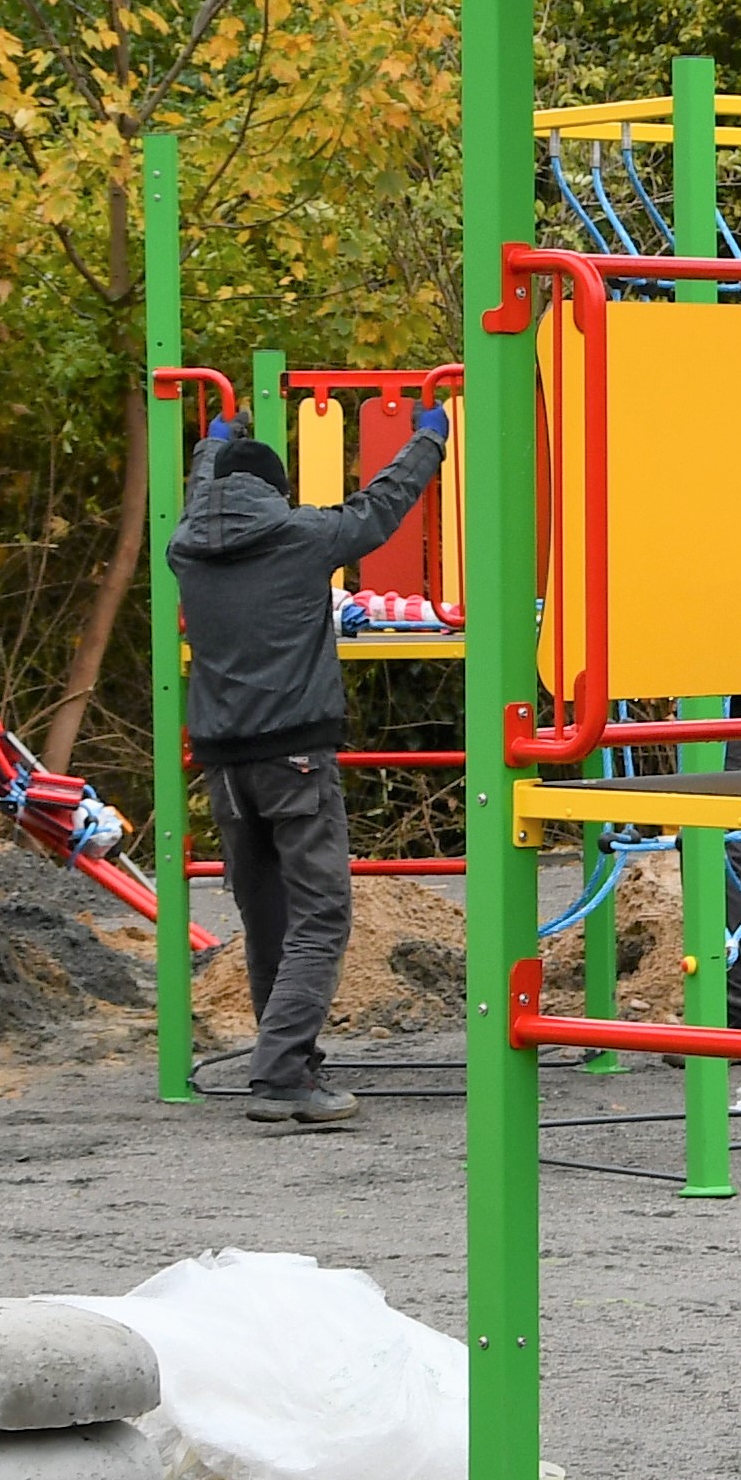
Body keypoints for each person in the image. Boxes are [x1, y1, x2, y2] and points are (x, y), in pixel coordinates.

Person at [165, 401, 445, 1124]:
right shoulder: (300, 535)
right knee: (320, 914)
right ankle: (283, 1071)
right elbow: (380, 506)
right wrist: (428, 440)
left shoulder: (185, 545)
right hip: (293, 754)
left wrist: (211, 443)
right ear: (275, 492)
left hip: (224, 765)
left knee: (267, 917)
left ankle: (287, 1061)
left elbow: (204, 493)